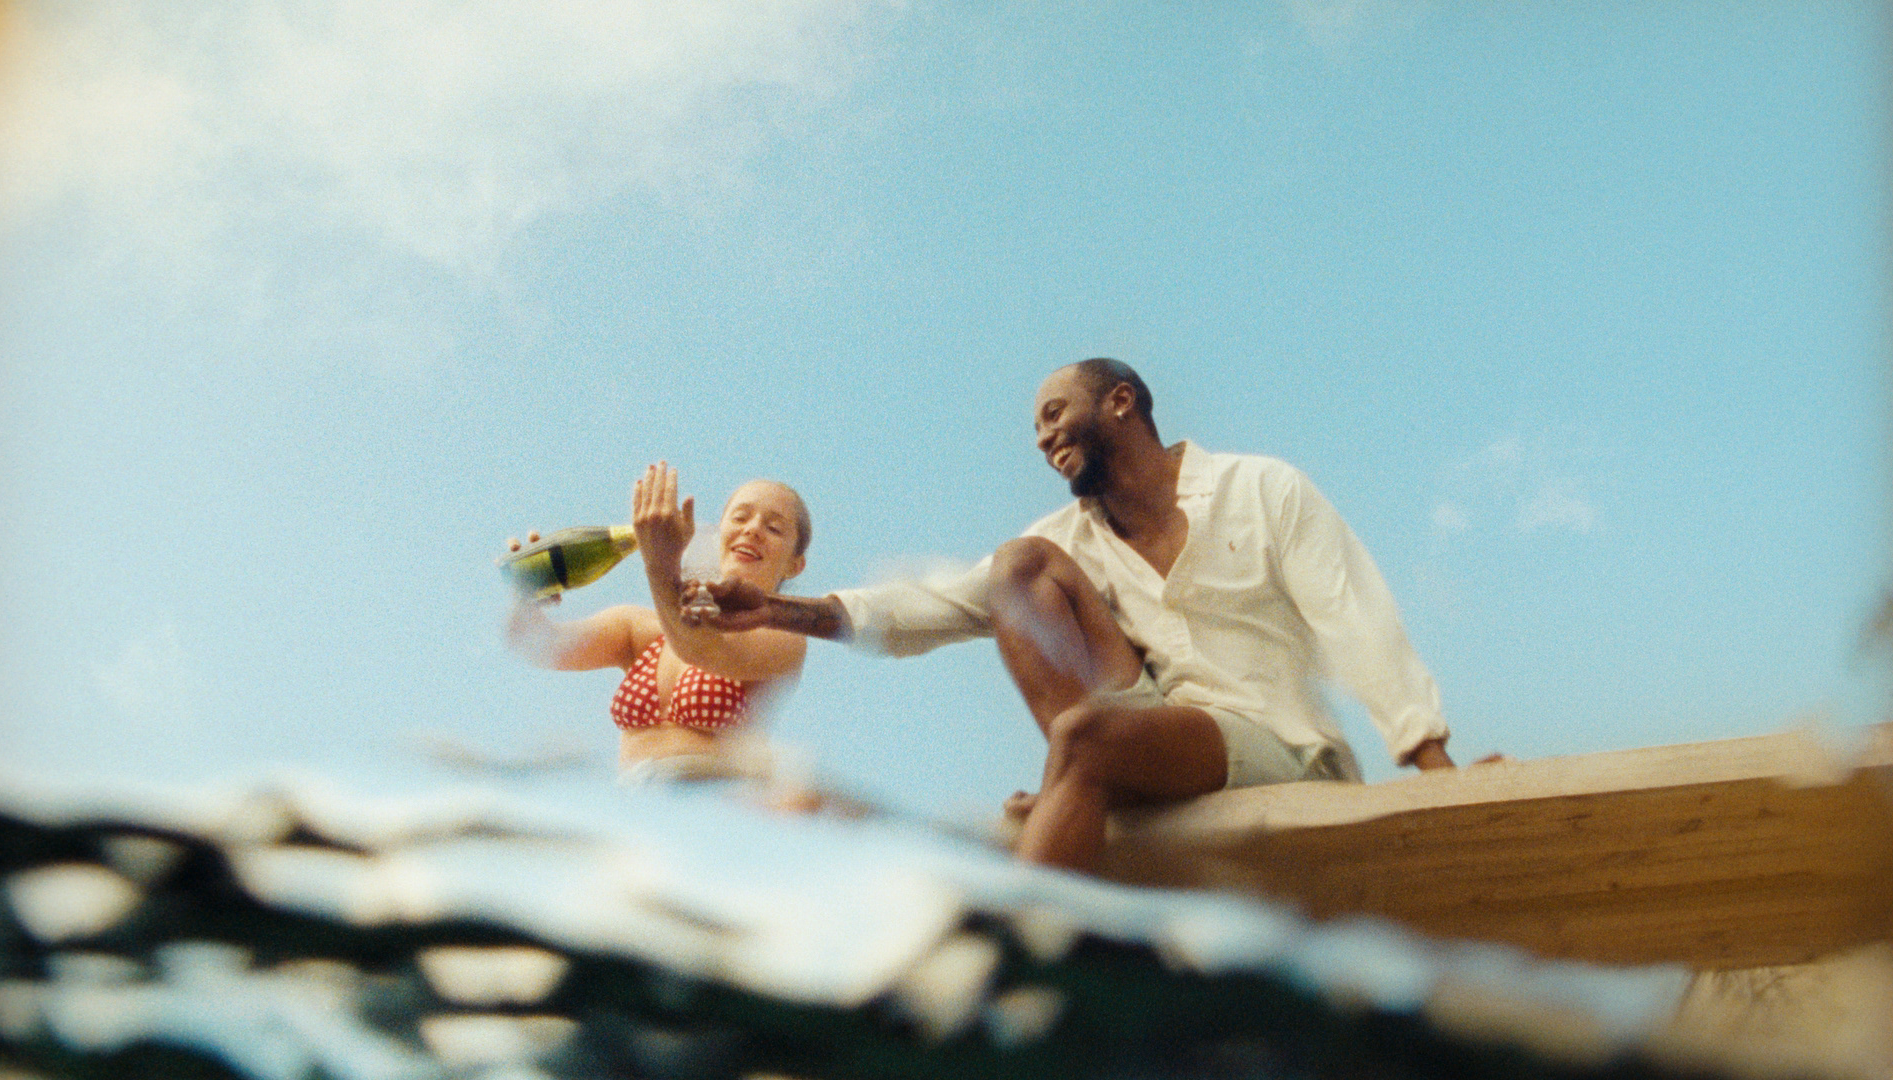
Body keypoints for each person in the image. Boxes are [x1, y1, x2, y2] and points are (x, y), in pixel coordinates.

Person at [698, 359, 1464, 871]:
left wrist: (1430, 761)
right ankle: (1093, 774)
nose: (1042, 438)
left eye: (1055, 414)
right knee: (1017, 568)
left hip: (1276, 742)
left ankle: (1030, 936)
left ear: (1121, 402)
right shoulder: (1067, 537)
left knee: (1085, 737)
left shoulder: (1262, 488)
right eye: (1036, 427)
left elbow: (1352, 615)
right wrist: (772, 608)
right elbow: (923, 610)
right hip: (1154, 725)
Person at [506, 462, 811, 782]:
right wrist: (525, 594)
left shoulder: (784, 636)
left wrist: (660, 564)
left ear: (795, 565)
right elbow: (544, 645)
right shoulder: (640, 628)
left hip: (709, 807)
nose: (752, 529)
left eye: (774, 528)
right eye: (740, 517)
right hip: (636, 803)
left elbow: (702, 649)